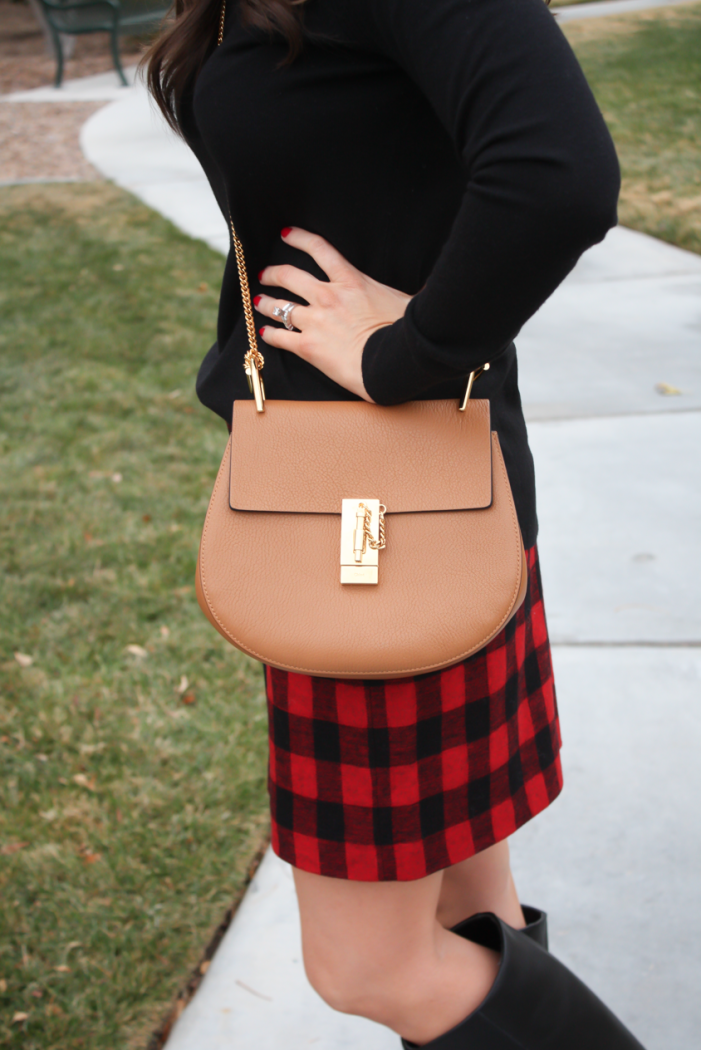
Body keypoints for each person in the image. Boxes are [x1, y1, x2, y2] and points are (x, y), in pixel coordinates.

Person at [146, 1, 646, 1046]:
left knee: (366, 964)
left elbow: (557, 173)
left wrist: (403, 353)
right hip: (357, 499)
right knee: (472, 910)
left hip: (382, 518)